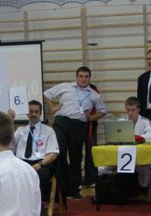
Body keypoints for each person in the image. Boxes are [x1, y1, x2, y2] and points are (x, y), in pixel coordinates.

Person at [44, 66, 107, 197]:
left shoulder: (94, 95)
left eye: (86, 77)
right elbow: (46, 94)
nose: (83, 79)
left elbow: (103, 110)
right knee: (59, 153)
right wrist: (52, 107)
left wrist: (92, 117)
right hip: (61, 122)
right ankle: (62, 187)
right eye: (81, 76)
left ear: (90, 78)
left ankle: (74, 189)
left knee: (75, 157)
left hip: (79, 125)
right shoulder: (66, 86)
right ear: (76, 77)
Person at [8, 100, 59, 208]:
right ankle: (17, 206)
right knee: (11, 174)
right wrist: (11, 122)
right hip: (22, 163)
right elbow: (10, 146)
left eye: (36, 112)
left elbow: (53, 154)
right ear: (27, 113)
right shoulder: (20, 130)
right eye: (31, 112)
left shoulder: (49, 131)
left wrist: (40, 164)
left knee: (42, 175)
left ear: (41, 113)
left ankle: (37, 206)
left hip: (41, 163)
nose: (33, 114)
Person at [98, 97, 151, 189]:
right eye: (128, 110)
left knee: (145, 168)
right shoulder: (121, 122)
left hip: (139, 157)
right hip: (122, 155)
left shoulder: (145, 122)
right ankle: (112, 188)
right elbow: (113, 137)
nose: (130, 113)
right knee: (101, 168)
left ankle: (143, 189)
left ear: (138, 109)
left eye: (133, 110)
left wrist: (140, 138)